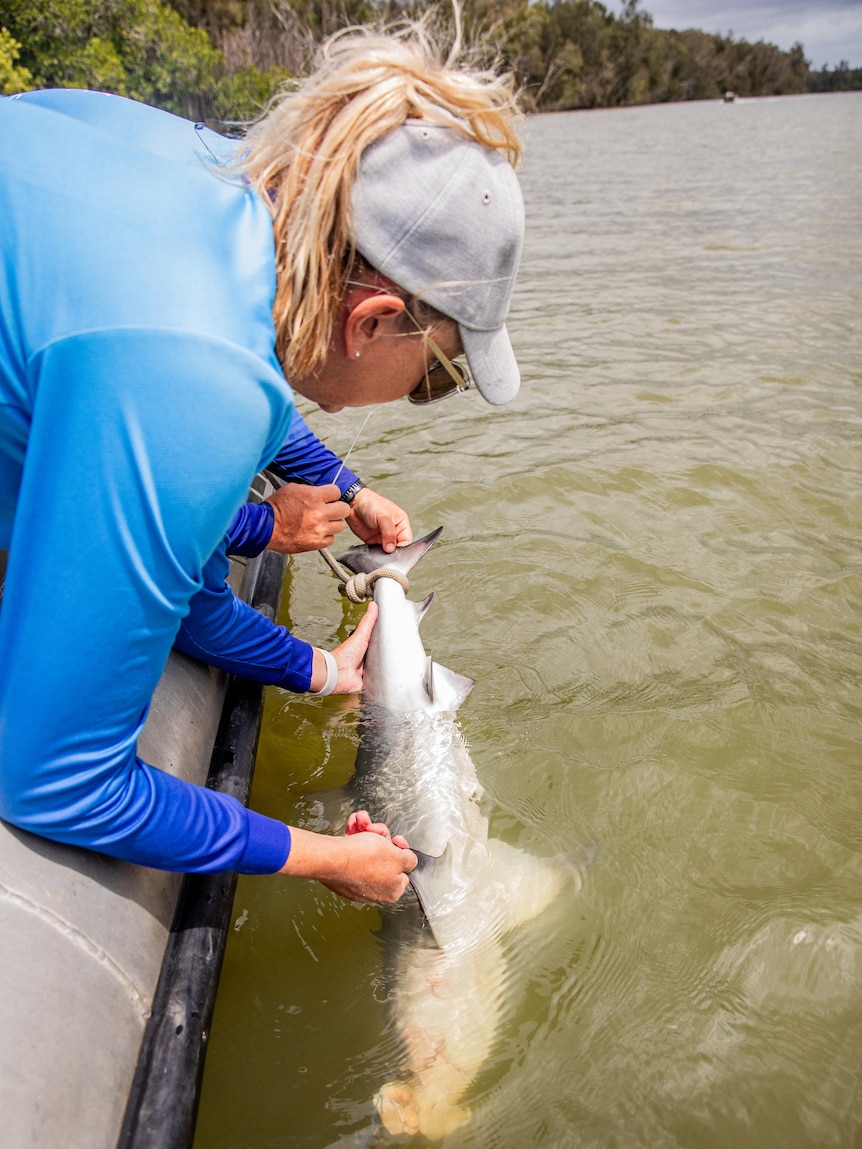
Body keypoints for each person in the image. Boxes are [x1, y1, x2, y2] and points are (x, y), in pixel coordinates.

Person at [0, 26, 525, 901]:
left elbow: (195, 596)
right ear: (372, 321)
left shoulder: (203, 169)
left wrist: (347, 505)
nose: (420, 392)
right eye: (437, 372)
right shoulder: (189, 383)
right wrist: (324, 857)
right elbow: (52, 780)